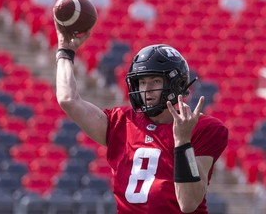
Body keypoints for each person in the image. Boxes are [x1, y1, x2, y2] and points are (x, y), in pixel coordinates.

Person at [55, 24, 228, 213]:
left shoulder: (204, 128)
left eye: (155, 81)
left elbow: (188, 203)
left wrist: (183, 141)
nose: (146, 89)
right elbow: (68, 100)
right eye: (142, 82)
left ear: (175, 84)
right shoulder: (121, 122)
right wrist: (65, 51)